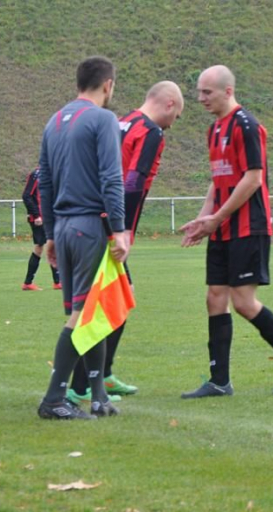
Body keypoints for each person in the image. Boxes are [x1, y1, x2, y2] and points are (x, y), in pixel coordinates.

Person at [180, 65, 273, 398]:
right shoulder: (214, 131)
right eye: (198, 91)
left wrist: (216, 218)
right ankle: (219, 382)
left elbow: (253, 179)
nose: (200, 98)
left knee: (243, 302)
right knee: (215, 299)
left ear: (227, 91)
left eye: (206, 92)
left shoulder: (247, 126)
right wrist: (202, 220)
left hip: (248, 226)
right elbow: (218, 180)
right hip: (222, 227)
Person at [68, 81, 185, 404]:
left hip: (92, 219)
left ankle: (100, 375)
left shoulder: (123, 121)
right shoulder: (150, 131)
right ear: (170, 104)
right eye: (176, 117)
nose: (172, 126)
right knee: (109, 302)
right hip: (109, 226)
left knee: (112, 298)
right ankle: (83, 383)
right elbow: (132, 182)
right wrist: (124, 231)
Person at [36, 56, 130, 420]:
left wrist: (49, 234)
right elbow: (111, 178)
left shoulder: (54, 121)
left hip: (63, 226)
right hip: (89, 226)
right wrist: (119, 229)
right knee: (81, 314)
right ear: (108, 85)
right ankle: (54, 399)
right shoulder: (103, 119)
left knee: (91, 313)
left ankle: (98, 396)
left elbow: (43, 181)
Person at [20, 166, 61, 291]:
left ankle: (57, 282)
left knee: (51, 245)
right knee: (41, 246)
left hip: (49, 216)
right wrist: (36, 215)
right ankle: (28, 283)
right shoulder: (37, 174)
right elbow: (26, 196)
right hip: (39, 218)